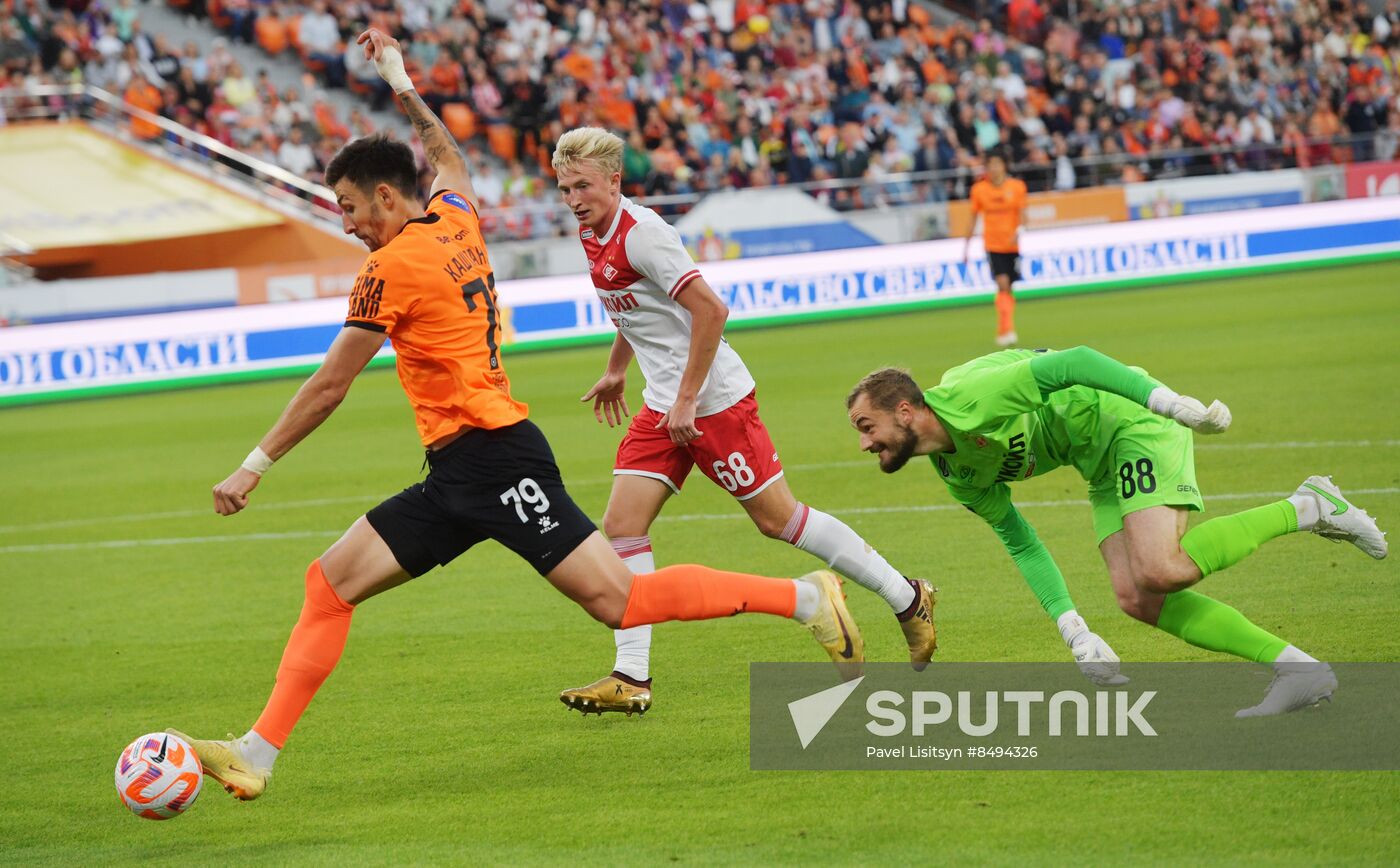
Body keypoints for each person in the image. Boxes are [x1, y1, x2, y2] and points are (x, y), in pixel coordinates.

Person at [168, 29, 866, 802]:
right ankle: (256, 755)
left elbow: (330, 386)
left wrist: (253, 464)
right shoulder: (456, 217)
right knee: (329, 584)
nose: (346, 222)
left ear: (388, 199)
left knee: (622, 599)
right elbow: (449, 157)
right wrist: (399, 78)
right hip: (456, 472)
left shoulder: (387, 268)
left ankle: (805, 598)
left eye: (349, 207)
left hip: (499, 463)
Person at [551, 127, 937, 716]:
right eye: (564, 188)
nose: (573, 198)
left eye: (583, 186)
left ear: (613, 180)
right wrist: (616, 370)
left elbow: (711, 310)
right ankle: (632, 675)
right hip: (665, 403)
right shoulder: (590, 230)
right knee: (622, 525)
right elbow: (632, 308)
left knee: (779, 520)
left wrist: (686, 400)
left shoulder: (644, 234)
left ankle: (906, 596)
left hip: (713, 403)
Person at [845, 346, 1387, 716]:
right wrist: (1074, 630)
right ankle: (1298, 670)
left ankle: (1310, 506)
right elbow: (1020, 540)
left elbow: (1074, 362)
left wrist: (1166, 402)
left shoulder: (971, 398)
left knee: (1161, 569)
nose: (865, 445)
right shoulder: (959, 474)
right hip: (1097, 460)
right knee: (1135, 598)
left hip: (1130, 420)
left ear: (906, 409)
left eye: (868, 428)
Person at [963, 150, 1028, 347]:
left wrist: (1021, 230)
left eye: (997, 164)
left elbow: (1023, 213)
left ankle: (1005, 327)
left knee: (1009, 287)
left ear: (1004, 166)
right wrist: (965, 246)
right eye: (990, 165)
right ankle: (1006, 328)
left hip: (1012, 244)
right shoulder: (979, 190)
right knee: (1002, 283)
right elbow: (973, 218)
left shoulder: (1017, 187)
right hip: (992, 244)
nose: (994, 168)